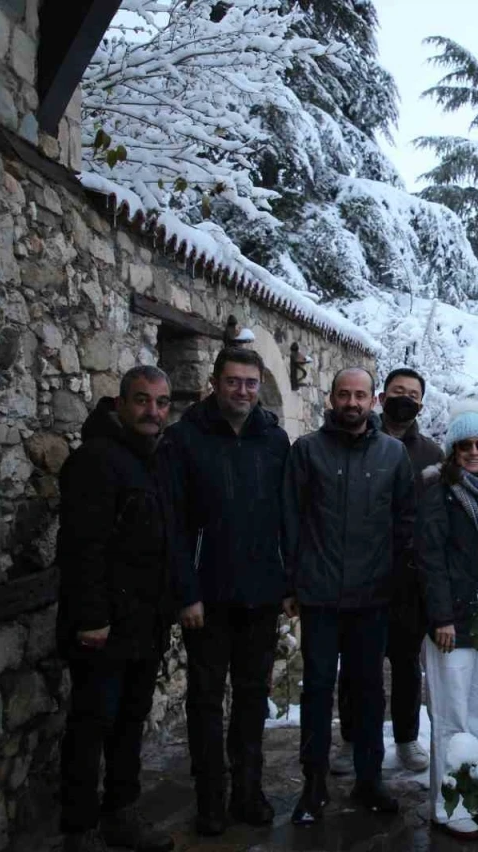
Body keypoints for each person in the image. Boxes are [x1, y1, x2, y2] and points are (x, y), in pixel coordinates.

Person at [282, 368, 415, 824]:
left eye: (360, 395)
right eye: (344, 394)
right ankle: (314, 783)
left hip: (372, 597)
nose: (352, 403)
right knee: (318, 689)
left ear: (373, 400)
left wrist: (396, 583)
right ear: (332, 398)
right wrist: (291, 584)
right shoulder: (307, 451)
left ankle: (369, 779)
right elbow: (291, 519)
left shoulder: (393, 454)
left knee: (369, 691)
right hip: (319, 596)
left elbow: (405, 523)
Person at [165, 348, 288, 834]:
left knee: (253, 697)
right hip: (208, 596)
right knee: (205, 699)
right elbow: (173, 522)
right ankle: (210, 797)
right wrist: (186, 592)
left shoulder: (274, 440)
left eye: (251, 383)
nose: (242, 391)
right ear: (214, 382)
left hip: (260, 593)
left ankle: (248, 790)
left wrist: (287, 582)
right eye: (233, 381)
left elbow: (286, 516)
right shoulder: (185, 439)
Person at [56, 366, 175, 852]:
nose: (153, 411)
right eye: (143, 400)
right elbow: (83, 546)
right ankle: (79, 829)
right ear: (121, 403)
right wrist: (92, 619)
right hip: (104, 627)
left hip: (143, 624)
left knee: (129, 723)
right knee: (92, 725)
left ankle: (121, 812)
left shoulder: (152, 459)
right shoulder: (95, 460)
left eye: (162, 403)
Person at [333, 368, 439, 777]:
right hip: (360, 572)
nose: (404, 399)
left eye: (412, 394)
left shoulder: (431, 453)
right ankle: (351, 738)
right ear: (380, 397)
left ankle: (407, 738)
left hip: (408, 577)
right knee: (357, 662)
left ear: (421, 404)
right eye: (397, 391)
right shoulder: (360, 440)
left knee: (407, 662)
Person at [418, 401, 478, 840]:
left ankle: (477, 789)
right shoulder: (438, 492)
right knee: (451, 716)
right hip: (451, 622)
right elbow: (430, 558)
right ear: (452, 449)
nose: (474, 452)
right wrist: (441, 617)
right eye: (465, 445)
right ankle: (448, 802)